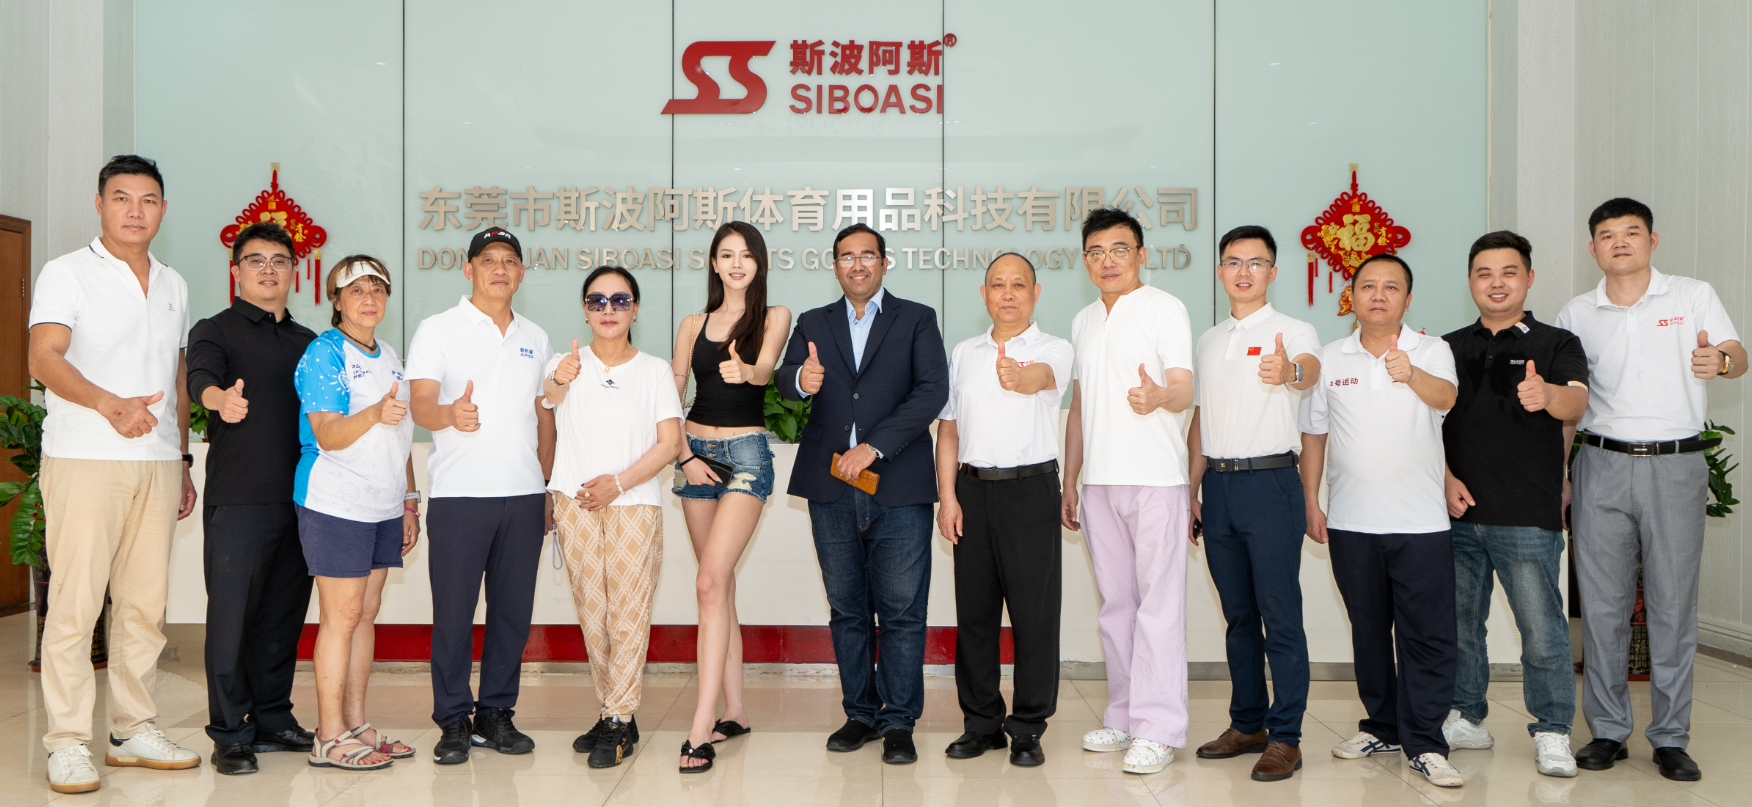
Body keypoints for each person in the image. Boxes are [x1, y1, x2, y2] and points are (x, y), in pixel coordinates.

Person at [27, 155, 201, 794]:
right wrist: (109, 404)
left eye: (148, 200)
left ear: (163, 210)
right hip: (84, 458)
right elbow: (44, 357)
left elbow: (177, 376)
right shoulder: (66, 272)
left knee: (142, 609)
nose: (135, 210)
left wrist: (181, 459)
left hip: (156, 463)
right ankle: (67, 742)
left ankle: (132, 730)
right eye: (122, 198)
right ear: (100, 205)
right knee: (76, 606)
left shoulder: (174, 283)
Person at [1557, 198, 1744, 782]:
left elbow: (1737, 355)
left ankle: (1670, 738)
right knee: (1603, 607)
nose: (1620, 242)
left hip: (1675, 465)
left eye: (1631, 232)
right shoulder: (1576, 312)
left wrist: (1721, 361)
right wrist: (1562, 475)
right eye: (1607, 234)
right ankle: (1608, 731)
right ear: (1592, 248)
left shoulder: (1691, 295)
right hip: (1601, 464)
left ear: (1652, 241)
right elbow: (1570, 404)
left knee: (1672, 606)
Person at [776, 222, 949, 765]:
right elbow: (783, 381)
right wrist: (801, 381)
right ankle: (860, 714)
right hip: (830, 486)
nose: (857, 265)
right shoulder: (813, 322)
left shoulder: (916, 318)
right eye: (847, 256)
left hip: (898, 484)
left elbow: (932, 391)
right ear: (835, 266)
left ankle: (899, 721)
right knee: (847, 610)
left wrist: (874, 447)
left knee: (901, 612)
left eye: (867, 255)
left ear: (884, 262)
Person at [1300, 254, 1465, 788]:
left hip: (1420, 523)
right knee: (1369, 632)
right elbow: (1314, 434)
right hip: (1351, 522)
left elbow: (1447, 398)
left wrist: (1410, 372)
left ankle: (1426, 742)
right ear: (1351, 296)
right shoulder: (1331, 357)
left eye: (1391, 287)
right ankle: (1383, 726)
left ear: (1407, 300)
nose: (1378, 294)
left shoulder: (1431, 350)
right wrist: (1311, 502)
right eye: (1367, 285)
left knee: (1427, 636)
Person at [1440, 231, 1589, 778]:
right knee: (1460, 626)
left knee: (1542, 630)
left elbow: (1576, 401)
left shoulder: (1558, 342)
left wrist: (1547, 395)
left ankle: (1552, 730)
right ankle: (1466, 717)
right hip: (1457, 511)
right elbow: (1426, 423)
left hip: (1527, 512)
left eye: (1508, 272)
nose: (1496, 282)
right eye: (1484, 273)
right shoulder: (1447, 347)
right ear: (1470, 282)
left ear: (1528, 278)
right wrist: (1445, 477)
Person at [407, 227, 555, 764]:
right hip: (460, 496)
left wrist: (547, 485)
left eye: (509, 260)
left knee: (512, 614)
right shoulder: (438, 329)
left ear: (522, 273)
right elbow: (421, 405)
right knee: (453, 614)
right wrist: (450, 414)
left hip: (523, 495)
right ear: (468, 269)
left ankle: (496, 714)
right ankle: (452, 719)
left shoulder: (536, 337)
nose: (499, 268)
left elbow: (545, 418)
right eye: (488, 259)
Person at [1061, 207, 1196, 775]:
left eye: (1119, 250)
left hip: (1157, 479)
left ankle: (1159, 729)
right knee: (1117, 608)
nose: (1107, 261)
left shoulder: (1165, 308)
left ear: (1141, 255)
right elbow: (1080, 406)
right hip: (1099, 484)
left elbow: (1185, 388)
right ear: (1085, 260)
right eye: (1096, 252)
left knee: (1159, 609)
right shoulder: (1083, 320)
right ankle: (1123, 715)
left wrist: (1159, 397)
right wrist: (1071, 477)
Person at [1185, 226, 1321, 782]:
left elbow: (1308, 371)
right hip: (1218, 489)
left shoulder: (1294, 330)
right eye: (1234, 262)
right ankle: (1248, 724)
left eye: (1256, 262)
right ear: (1220, 271)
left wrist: (1289, 371)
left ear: (1272, 272)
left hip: (1270, 484)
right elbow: (1200, 419)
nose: (1244, 272)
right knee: (1239, 616)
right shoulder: (1208, 340)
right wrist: (1191, 489)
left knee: (1279, 613)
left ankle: (1286, 735)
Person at [186, 221, 319, 774]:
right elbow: (200, 378)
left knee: (283, 617)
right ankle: (229, 733)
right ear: (236, 270)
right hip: (240, 499)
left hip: (302, 501)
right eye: (256, 260)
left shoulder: (309, 342)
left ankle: (272, 718)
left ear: (294, 271)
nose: (268, 269)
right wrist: (219, 399)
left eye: (279, 260)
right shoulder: (214, 329)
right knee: (232, 620)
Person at [935, 252, 1073, 768]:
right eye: (998, 284)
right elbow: (949, 429)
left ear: (1036, 293)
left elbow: (1041, 378)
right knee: (975, 614)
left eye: (1019, 284)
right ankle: (982, 724)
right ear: (984, 294)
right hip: (971, 490)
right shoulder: (964, 352)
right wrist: (948, 496)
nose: (1008, 293)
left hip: (1030, 491)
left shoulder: (1054, 348)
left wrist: (1018, 375)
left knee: (1034, 615)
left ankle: (1029, 726)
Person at [543, 267, 684, 769]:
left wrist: (619, 483)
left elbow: (669, 443)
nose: (608, 310)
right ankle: (614, 711)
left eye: (619, 300)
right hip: (576, 503)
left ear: (635, 309)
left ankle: (618, 717)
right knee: (593, 615)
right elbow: (550, 397)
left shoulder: (655, 370)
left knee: (628, 615)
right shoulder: (565, 363)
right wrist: (559, 379)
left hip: (633, 504)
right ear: (584, 310)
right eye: (596, 301)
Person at [669, 222, 792, 771]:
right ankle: (735, 710)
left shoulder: (773, 316)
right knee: (718, 588)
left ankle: (700, 725)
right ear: (714, 264)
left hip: (745, 456)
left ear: (759, 263)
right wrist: (682, 455)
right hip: (695, 454)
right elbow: (673, 395)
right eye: (727, 254)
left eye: (746, 255)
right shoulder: (692, 324)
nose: (737, 263)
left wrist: (746, 370)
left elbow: (764, 371)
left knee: (708, 582)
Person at [291, 256, 418, 771]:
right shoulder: (325, 353)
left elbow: (400, 434)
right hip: (336, 502)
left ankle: (357, 724)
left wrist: (409, 499)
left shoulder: (389, 355)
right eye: (357, 290)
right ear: (337, 300)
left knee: (366, 613)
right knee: (341, 617)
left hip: (383, 504)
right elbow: (327, 433)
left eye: (377, 289)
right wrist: (373, 413)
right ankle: (328, 735)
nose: (369, 298)